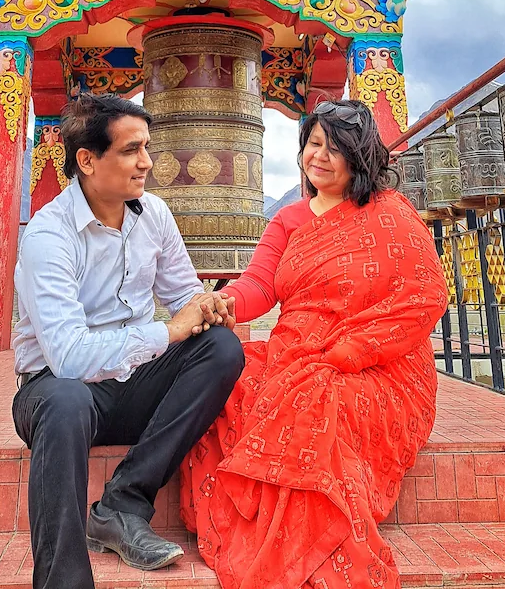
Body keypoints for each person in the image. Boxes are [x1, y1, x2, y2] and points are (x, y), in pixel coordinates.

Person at [181, 99, 448, 589]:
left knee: (315, 401)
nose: (318, 156)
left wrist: (351, 352)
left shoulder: (391, 214)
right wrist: (218, 304)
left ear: (360, 155)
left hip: (378, 364)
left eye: (334, 147)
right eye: (313, 144)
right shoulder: (289, 219)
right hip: (297, 352)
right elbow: (260, 287)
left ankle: (316, 546)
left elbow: (424, 296)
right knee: (225, 380)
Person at [12, 93, 245, 589]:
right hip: (56, 393)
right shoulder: (49, 236)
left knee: (222, 349)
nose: (147, 162)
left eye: (147, 147)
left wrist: (206, 306)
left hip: (132, 382)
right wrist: (168, 329)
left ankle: (121, 503)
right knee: (66, 399)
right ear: (88, 160)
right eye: (131, 150)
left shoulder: (153, 214)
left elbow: (183, 291)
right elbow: (69, 357)